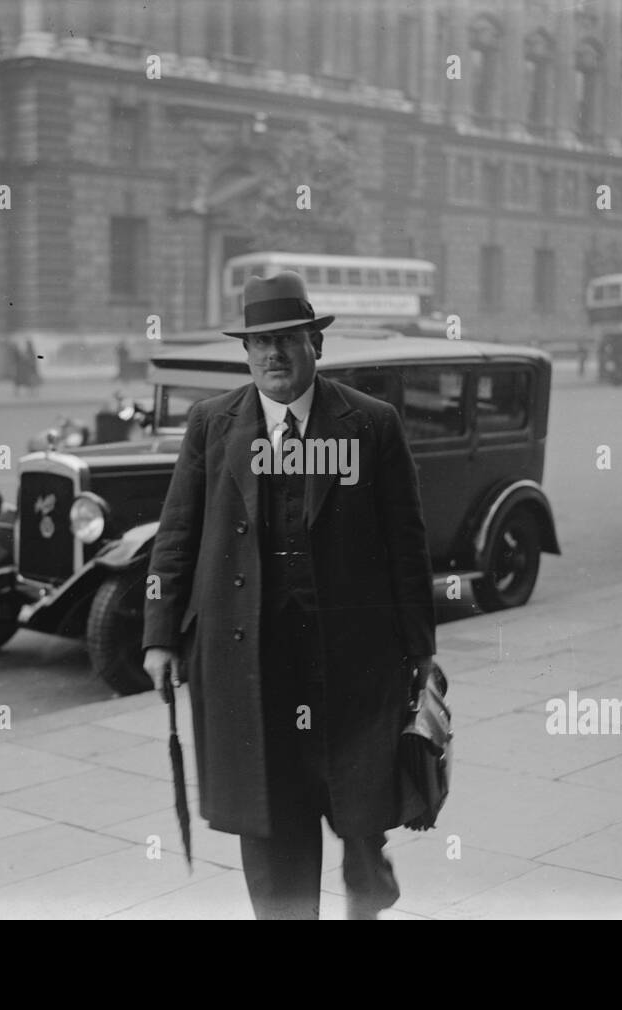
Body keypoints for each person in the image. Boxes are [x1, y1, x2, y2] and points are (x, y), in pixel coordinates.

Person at [142, 269, 438, 920]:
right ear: (245, 354)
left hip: (352, 667)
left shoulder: (370, 424)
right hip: (251, 668)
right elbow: (176, 535)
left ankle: (368, 890)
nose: (272, 355)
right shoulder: (212, 425)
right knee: (271, 828)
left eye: (287, 339)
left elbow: (406, 542)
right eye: (258, 343)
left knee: (361, 816)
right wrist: (160, 637)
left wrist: (421, 645)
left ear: (316, 346)